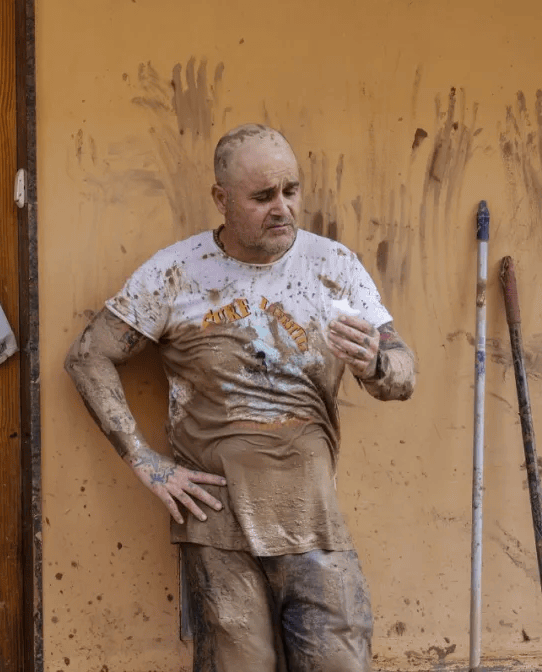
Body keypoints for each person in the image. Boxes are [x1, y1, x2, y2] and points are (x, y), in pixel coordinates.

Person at [65, 123, 416, 672]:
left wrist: (374, 363)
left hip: (314, 522)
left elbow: (402, 374)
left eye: (291, 191)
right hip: (218, 529)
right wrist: (145, 462)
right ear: (221, 199)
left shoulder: (334, 268)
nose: (282, 208)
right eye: (262, 196)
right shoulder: (176, 273)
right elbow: (88, 355)